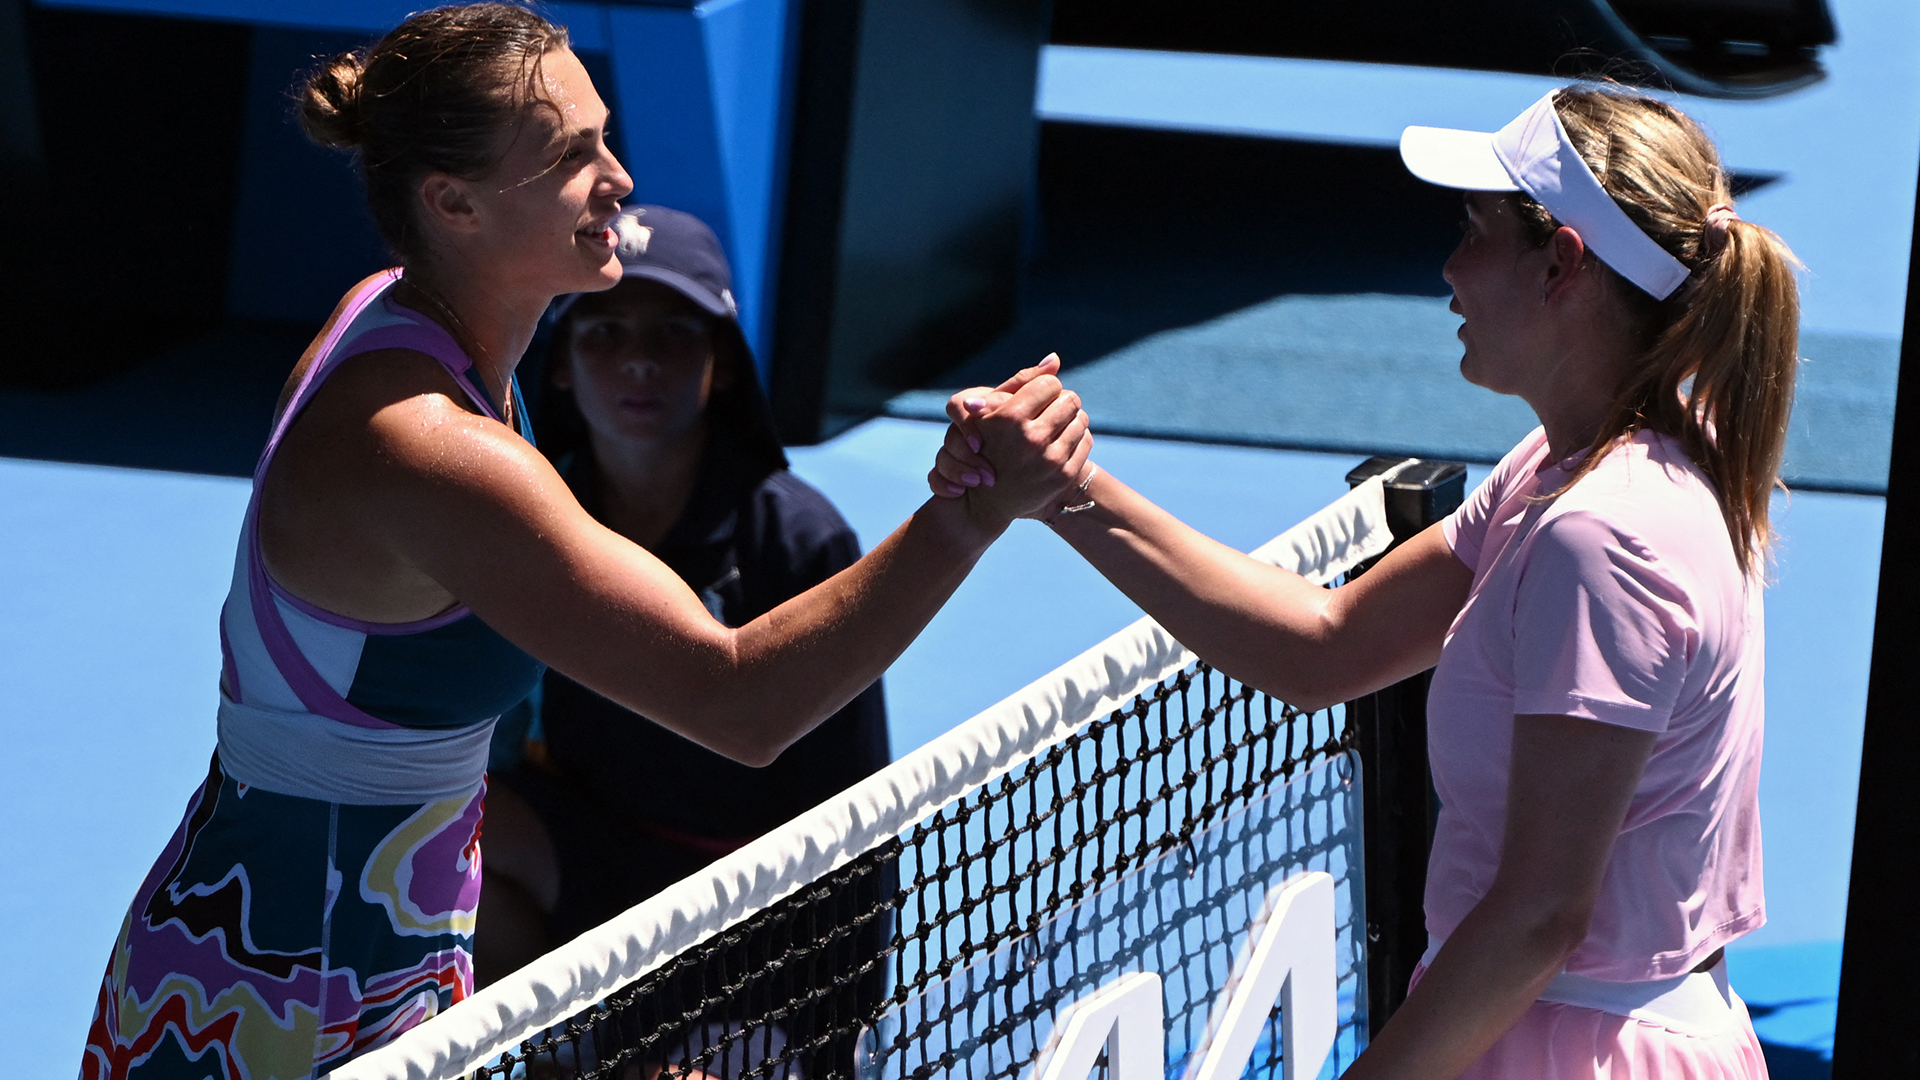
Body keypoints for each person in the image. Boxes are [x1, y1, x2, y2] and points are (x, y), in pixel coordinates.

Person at [79, 6, 1090, 1077]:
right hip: (290, 1000)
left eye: (604, 136)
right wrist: (971, 513)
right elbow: (739, 701)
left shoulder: (396, 318)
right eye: (570, 156)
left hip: (344, 948)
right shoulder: (435, 453)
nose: (617, 177)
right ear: (453, 203)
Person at [936, 86, 1796, 1078]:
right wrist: (1066, 490)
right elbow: (1327, 644)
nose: (1447, 268)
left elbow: (1538, 919)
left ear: (1560, 263)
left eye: (1472, 231)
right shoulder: (1569, 475)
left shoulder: (1600, 541)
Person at [476, 204, 890, 992]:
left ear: (722, 363)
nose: (639, 361)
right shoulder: (534, 517)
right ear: (559, 364)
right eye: (606, 332)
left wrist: (838, 1017)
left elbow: (854, 806)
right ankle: (564, 1048)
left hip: (744, 907)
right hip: (589, 855)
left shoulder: (801, 543)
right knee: (438, 846)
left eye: (673, 333)